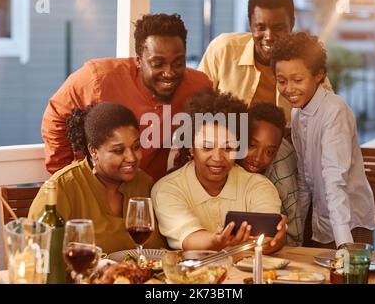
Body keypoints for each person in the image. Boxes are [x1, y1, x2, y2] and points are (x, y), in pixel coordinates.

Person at [42, 13, 212, 180]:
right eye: (158, 64)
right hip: (97, 187)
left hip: (149, 190)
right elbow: (55, 115)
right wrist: (67, 175)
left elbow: (200, 136)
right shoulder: (98, 78)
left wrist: (180, 173)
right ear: (138, 60)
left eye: (178, 63)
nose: (169, 73)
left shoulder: (198, 87)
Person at [270, 32, 375, 249]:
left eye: (297, 80)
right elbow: (304, 178)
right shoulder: (298, 113)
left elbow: (335, 178)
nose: (289, 89)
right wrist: (297, 229)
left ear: (319, 75)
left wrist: (344, 244)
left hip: (349, 222)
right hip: (321, 219)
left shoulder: (335, 111)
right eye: (282, 81)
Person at [151, 90, 286, 254]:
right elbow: (189, 239)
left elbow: (269, 238)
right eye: (207, 147)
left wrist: (275, 239)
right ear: (191, 148)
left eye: (228, 147)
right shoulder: (168, 189)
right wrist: (218, 240)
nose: (217, 158)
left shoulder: (258, 186)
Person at [29, 102, 168, 254]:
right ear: (93, 151)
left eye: (136, 147)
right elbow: (35, 253)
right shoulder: (62, 188)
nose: (131, 158)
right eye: (118, 150)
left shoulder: (144, 183)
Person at [198, 0, 332, 123]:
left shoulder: (307, 62)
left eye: (278, 28)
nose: (269, 36)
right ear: (250, 24)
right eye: (260, 27)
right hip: (225, 141)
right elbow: (196, 103)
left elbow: (328, 110)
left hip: (284, 143)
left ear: (291, 24)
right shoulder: (223, 50)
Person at [238, 102, 303, 246]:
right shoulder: (226, 159)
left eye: (269, 152)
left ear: (277, 150)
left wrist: (275, 241)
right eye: (251, 145)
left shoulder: (282, 179)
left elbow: (295, 237)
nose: (258, 158)